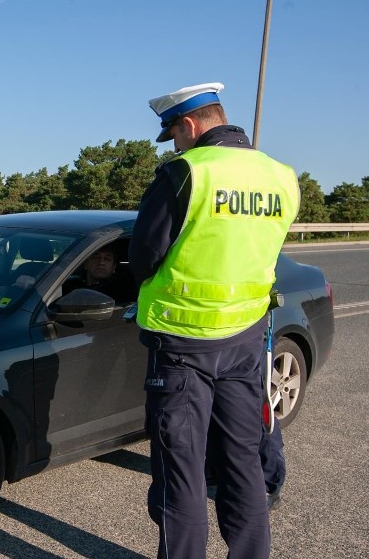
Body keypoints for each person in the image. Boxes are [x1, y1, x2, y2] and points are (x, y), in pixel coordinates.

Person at [128, 82, 299, 558]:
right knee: (241, 459)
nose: (175, 145)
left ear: (189, 124)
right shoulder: (281, 176)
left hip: (182, 345)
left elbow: (143, 256)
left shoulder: (184, 173)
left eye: (174, 135)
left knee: (181, 471)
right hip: (246, 338)